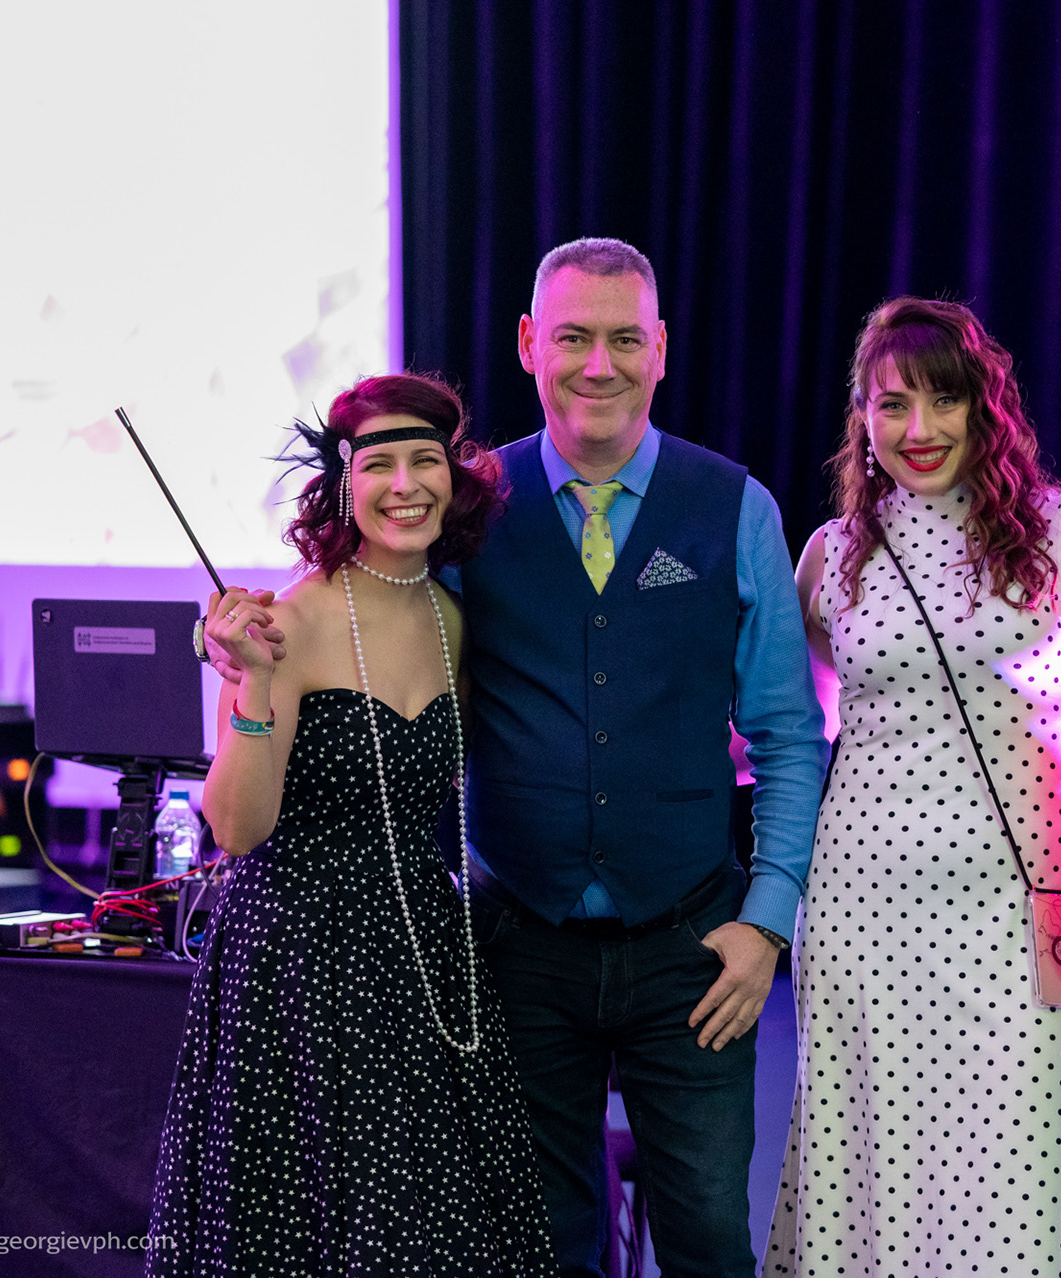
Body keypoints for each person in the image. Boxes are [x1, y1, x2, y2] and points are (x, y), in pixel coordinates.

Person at [450, 237, 828, 1278]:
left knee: (707, 1238)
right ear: (528, 344)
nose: (598, 365)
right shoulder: (467, 509)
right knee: (543, 1245)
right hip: (518, 945)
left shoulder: (736, 506)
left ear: (661, 349)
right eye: (572, 337)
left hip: (693, 948)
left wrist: (767, 923)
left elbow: (788, 734)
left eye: (624, 339)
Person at [150, 373, 557, 1275]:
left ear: (454, 475)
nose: (404, 484)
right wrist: (254, 681)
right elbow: (236, 828)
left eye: (425, 460)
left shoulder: (453, 619)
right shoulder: (285, 621)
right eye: (379, 465)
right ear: (344, 480)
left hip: (423, 958)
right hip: (297, 965)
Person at [764, 297, 1061, 1277]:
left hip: (1019, 914)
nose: (917, 429)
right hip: (861, 912)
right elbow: (801, 725)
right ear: (863, 419)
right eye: (892, 405)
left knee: (1014, 1176)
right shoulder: (832, 553)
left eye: (943, 399)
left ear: (985, 405)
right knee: (863, 1169)